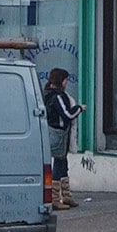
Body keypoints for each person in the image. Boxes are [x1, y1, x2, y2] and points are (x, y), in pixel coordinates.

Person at [42, 67, 84, 211]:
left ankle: (66, 195)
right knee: (59, 162)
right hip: (59, 132)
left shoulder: (47, 93)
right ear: (61, 81)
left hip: (54, 131)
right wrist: (79, 108)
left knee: (63, 162)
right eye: (65, 79)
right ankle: (54, 198)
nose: (67, 82)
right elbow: (67, 115)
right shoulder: (57, 96)